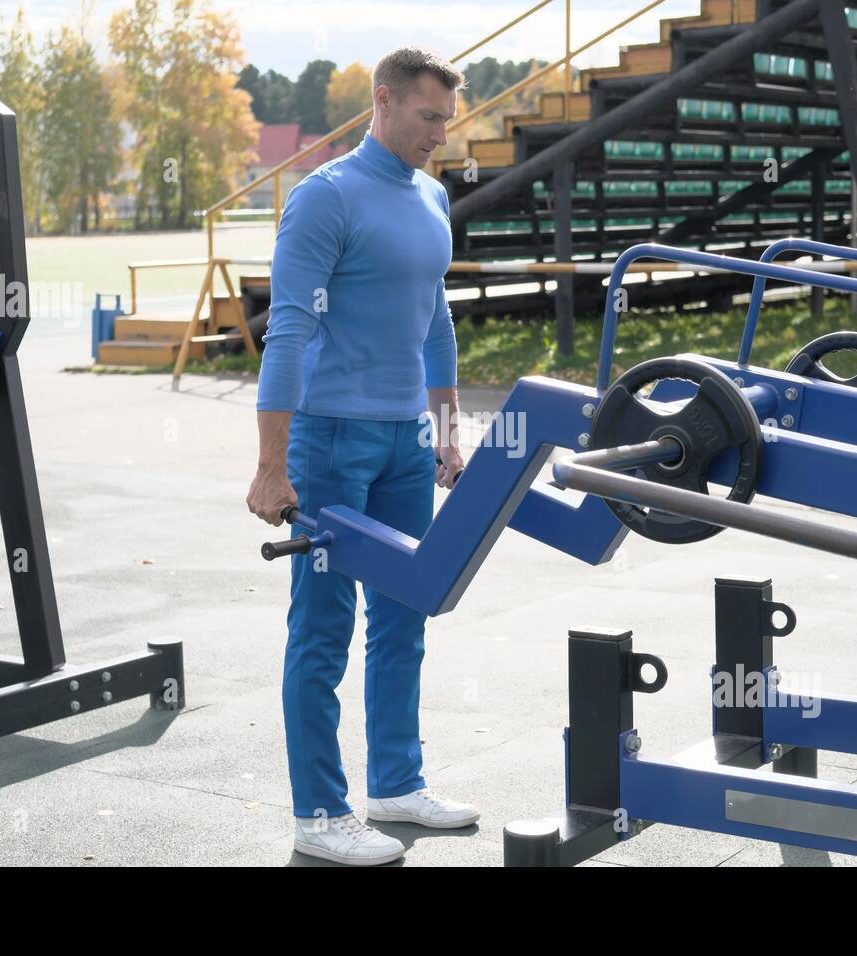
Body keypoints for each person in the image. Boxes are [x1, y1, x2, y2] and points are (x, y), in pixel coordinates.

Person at [247, 46, 479, 866]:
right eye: (427, 117)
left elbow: (436, 320)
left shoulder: (431, 196)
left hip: (406, 444)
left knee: (405, 614)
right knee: (322, 629)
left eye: (446, 122)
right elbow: (289, 334)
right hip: (330, 439)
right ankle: (319, 811)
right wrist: (272, 464)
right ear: (382, 103)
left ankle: (395, 783)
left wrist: (447, 428)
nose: (438, 136)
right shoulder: (325, 199)